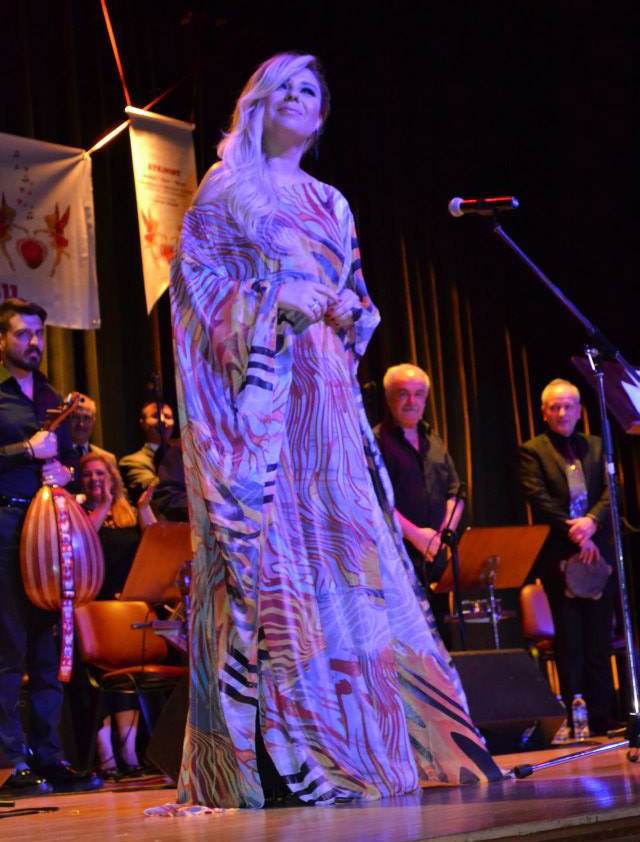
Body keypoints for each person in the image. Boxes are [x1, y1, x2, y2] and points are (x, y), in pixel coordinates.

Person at [170, 52, 500, 809]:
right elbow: (196, 293)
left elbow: (354, 293)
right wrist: (273, 299)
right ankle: (288, 748)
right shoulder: (226, 190)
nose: (296, 96)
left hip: (326, 394)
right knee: (278, 555)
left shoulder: (332, 201)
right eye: (283, 86)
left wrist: (352, 311)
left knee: (349, 554)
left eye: (309, 90)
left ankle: (364, 735)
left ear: (320, 116)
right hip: (265, 404)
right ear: (256, 102)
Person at [0, 297, 102, 795]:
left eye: (38, 334)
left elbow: (64, 464)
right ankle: (9, 762)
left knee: (48, 649)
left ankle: (49, 757)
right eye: (23, 334)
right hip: (5, 523)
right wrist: (24, 450)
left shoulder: (50, 396)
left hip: (46, 528)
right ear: (2, 340)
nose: (34, 342)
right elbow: (24, 453)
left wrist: (65, 467)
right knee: (9, 647)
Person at [519, 378, 615, 735]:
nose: (562, 412)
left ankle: (604, 718)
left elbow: (611, 490)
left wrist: (592, 522)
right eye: (554, 407)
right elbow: (539, 498)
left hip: (598, 555)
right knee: (570, 641)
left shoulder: (597, 446)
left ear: (579, 411)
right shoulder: (532, 451)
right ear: (544, 413)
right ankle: (577, 721)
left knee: (598, 641)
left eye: (568, 406)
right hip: (559, 557)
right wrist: (575, 531)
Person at [78, 452, 157, 777]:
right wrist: (103, 504)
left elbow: (153, 541)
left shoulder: (127, 511)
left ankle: (129, 754)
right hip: (92, 609)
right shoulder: (78, 510)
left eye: (101, 473)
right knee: (100, 684)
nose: (95, 479)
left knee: (126, 680)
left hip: (126, 607)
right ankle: (106, 755)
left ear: (112, 476)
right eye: (88, 474)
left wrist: (144, 507)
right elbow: (84, 540)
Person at [374, 364, 464, 588]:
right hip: (396, 562)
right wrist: (416, 536)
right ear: (388, 397)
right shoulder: (375, 442)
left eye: (419, 394)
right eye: (403, 394)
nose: (412, 401)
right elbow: (374, 500)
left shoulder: (434, 440)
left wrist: (441, 537)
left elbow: (455, 492)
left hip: (436, 558)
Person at [119, 401, 174, 504]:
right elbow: (156, 491)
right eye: (155, 416)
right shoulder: (131, 461)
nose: (162, 421)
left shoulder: (183, 456)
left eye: (168, 417)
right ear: (143, 423)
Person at [67, 393, 117, 493]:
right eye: (75, 417)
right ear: (65, 419)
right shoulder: (55, 457)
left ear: (93, 421)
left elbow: (118, 495)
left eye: (86, 418)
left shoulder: (108, 458)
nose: (81, 424)